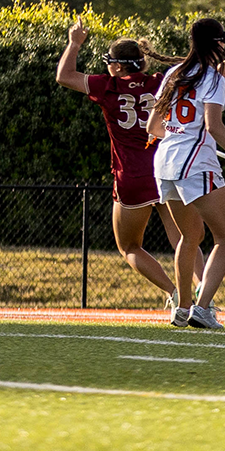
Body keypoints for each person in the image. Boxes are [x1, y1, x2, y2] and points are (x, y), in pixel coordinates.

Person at [55, 16, 189, 318]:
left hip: (132, 176)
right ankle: (204, 293)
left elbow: (64, 76)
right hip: (167, 168)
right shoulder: (159, 81)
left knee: (129, 246)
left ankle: (173, 291)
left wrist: (74, 43)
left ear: (115, 65)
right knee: (185, 238)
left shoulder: (110, 85)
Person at [146, 18, 225, 330]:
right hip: (196, 163)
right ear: (219, 43)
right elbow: (213, 125)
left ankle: (182, 308)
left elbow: (153, 128)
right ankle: (203, 308)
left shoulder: (173, 73)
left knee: (189, 236)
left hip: (165, 162)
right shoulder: (213, 78)